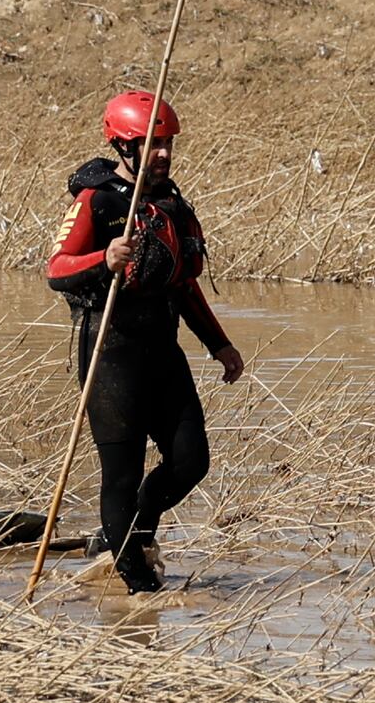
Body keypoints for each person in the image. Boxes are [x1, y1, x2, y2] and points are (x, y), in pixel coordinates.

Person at [45, 90, 248, 593]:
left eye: (167, 143)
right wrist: (103, 259)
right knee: (120, 474)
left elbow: (184, 284)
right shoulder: (99, 200)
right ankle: (138, 590)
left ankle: (134, 532)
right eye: (151, 144)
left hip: (164, 354)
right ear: (123, 145)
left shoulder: (172, 204)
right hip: (111, 354)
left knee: (190, 461)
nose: (163, 153)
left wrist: (219, 345)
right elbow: (56, 269)